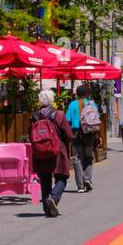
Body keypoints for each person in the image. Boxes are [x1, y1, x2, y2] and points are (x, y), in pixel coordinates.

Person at [30, 88, 74, 217]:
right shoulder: (59, 115)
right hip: (57, 150)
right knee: (62, 177)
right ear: (52, 100)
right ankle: (54, 198)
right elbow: (68, 134)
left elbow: (30, 134)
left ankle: (47, 208)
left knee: (45, 178)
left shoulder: (35, 116)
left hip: (40, 152)